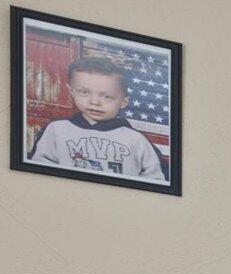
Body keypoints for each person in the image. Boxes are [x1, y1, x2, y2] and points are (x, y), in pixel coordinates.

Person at [26, 52, 167, 184]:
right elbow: (39, 171)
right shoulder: (57, 130)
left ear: (123, 102)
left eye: (106, 96)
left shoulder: (136, 140)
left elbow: (156, 179)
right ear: (71, 92)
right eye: (84, 92)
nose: (94, 102)